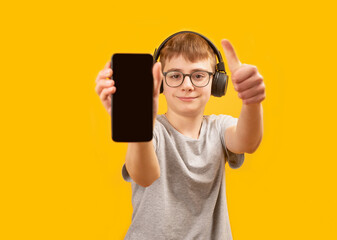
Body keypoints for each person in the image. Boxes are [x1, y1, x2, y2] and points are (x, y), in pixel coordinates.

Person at [95, 31, 265, 239]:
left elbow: (247, 141)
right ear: (159, 84)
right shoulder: (152, 130)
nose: (187, 85)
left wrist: (252, 101)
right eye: (175, 75)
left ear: (217, 83)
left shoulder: (219, 127)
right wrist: (138, 125)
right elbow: (144, 176)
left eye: (198, 75)